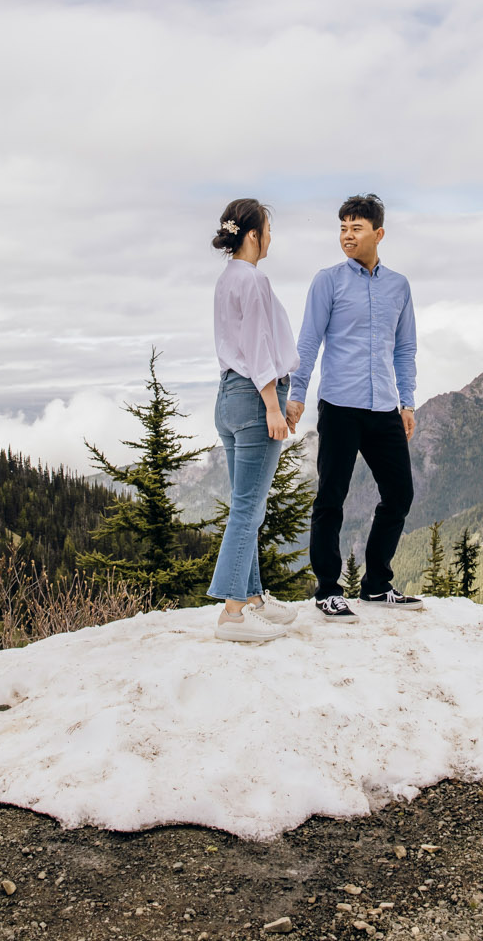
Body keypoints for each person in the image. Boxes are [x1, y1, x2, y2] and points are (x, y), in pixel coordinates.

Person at [285, 193, 424, 621]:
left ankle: (376, 585)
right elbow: (308, 342)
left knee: (399, 494)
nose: (347, 234)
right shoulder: (327, 281)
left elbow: (404, 349)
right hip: (340, 406)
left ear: (378, 233)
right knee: (331, 498)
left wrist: (407, 401)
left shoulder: (399, 286)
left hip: (384, 408)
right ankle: (328, 589)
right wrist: (297, 393)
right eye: (343, 227)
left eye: (356, 227)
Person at [207, 198, 302, 643]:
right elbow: (260, 346)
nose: (271, 238)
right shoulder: (254, 280)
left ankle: (254, 598)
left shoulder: (226, 280)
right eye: (267, 229)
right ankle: (232, 613)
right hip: (254, 395)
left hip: (227, 397)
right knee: (248, 506)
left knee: (248, 502)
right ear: (252, 235)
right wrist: (272, 404)